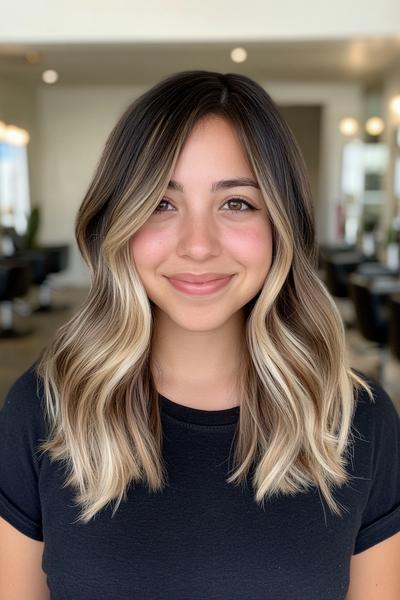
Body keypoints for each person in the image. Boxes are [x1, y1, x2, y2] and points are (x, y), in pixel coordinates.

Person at [0, 70, 399, 600]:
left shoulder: (357, 421)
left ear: (282, 224)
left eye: (236, 203)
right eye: (161, 203)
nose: (198, 245)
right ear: (117, 222)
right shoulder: (44, 411)